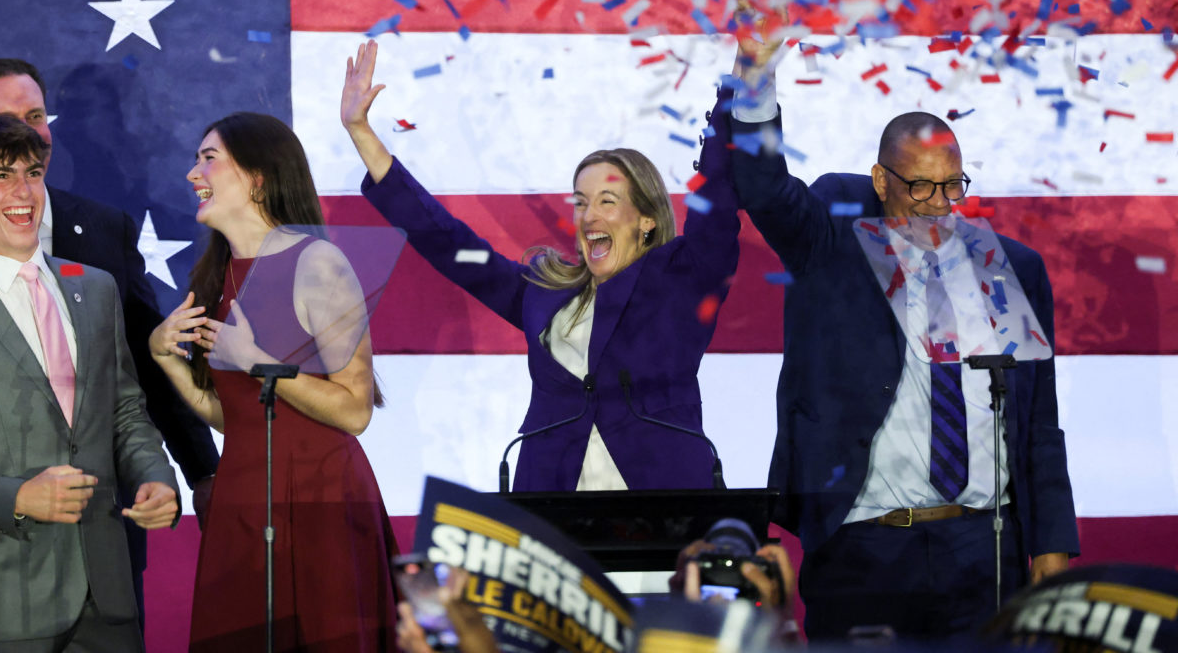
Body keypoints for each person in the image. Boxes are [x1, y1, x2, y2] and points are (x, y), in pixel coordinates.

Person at [728, 32, 1079, 639]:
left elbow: (1038, 425)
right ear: (881, 180)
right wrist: (755, 72)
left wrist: (1050, 546)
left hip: (983, 546)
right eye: (919, 187)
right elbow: (762, 187)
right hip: (865, 548)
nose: (937, 206)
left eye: (952, 186)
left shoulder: (1009, 268)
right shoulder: (833, 242)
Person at [340, 39, 740, 491]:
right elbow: (448, 242)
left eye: (607, 202)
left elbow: (719, 198)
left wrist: (748, 68)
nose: (588, 217)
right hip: (554, 507)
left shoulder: (680, 285)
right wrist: (361, 133)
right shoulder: (543, 293)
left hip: (662, 503)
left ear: (647, 219)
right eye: (581, 202)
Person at [0, 58, 221, 627]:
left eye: (36, 116)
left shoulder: (103, 230)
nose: (28, 135)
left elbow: (137, 369)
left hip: (100, 550)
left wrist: (196, 471)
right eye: (5, 122)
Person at [148, 112, 399, 651]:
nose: (193, 174)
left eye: (208, 158)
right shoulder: (216, 276)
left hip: (318, 503)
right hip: (242, 498)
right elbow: (233, 414)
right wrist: (165, 358)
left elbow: (355, 411)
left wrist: (259, 362)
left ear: (258, 176)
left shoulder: (319, 263)